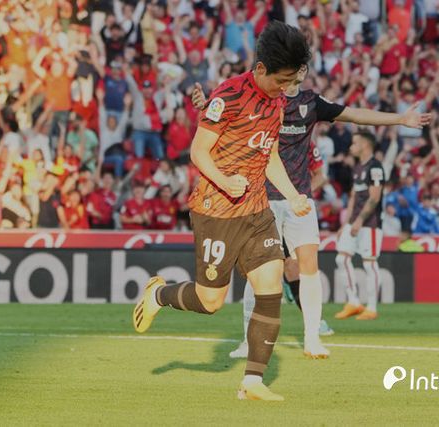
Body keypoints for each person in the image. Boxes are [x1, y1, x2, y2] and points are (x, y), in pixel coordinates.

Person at [192, 63, 430, 359]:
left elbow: (354, 114)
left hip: (299, 198)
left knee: (309, 265)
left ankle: (312, 338)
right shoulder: (264, 98)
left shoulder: (311, 103)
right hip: (262, 196)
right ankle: (249, 341)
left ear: (303, 72)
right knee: (260, 272)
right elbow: (225, 117)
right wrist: (205, 106)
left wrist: (399, 119)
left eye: (300, 67)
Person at [132, 21, 312, 402]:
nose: (285, 88)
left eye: (290, 81)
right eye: (281, 80)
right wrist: (225, 180)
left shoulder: (277, 102)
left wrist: (293, 195)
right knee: (210, 301)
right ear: (260, 68)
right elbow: (198, 152)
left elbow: (269, 154)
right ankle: (159, 294)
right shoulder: (228, 95)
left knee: (270, 285)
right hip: (216, 209)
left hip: (256, 209)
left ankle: (252, 382)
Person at [335, 131, 385, 321]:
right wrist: (345, 223)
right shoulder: (357, 167)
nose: (351, 147)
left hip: (370, 223)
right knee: (341, 259)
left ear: (365, 145)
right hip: (353, 221)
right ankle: (354, 301)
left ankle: (372, 307)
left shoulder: (375, 167)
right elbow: (354, 197)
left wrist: (359, 220)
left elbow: (375, 197)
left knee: (369, 263)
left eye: (354, 143)